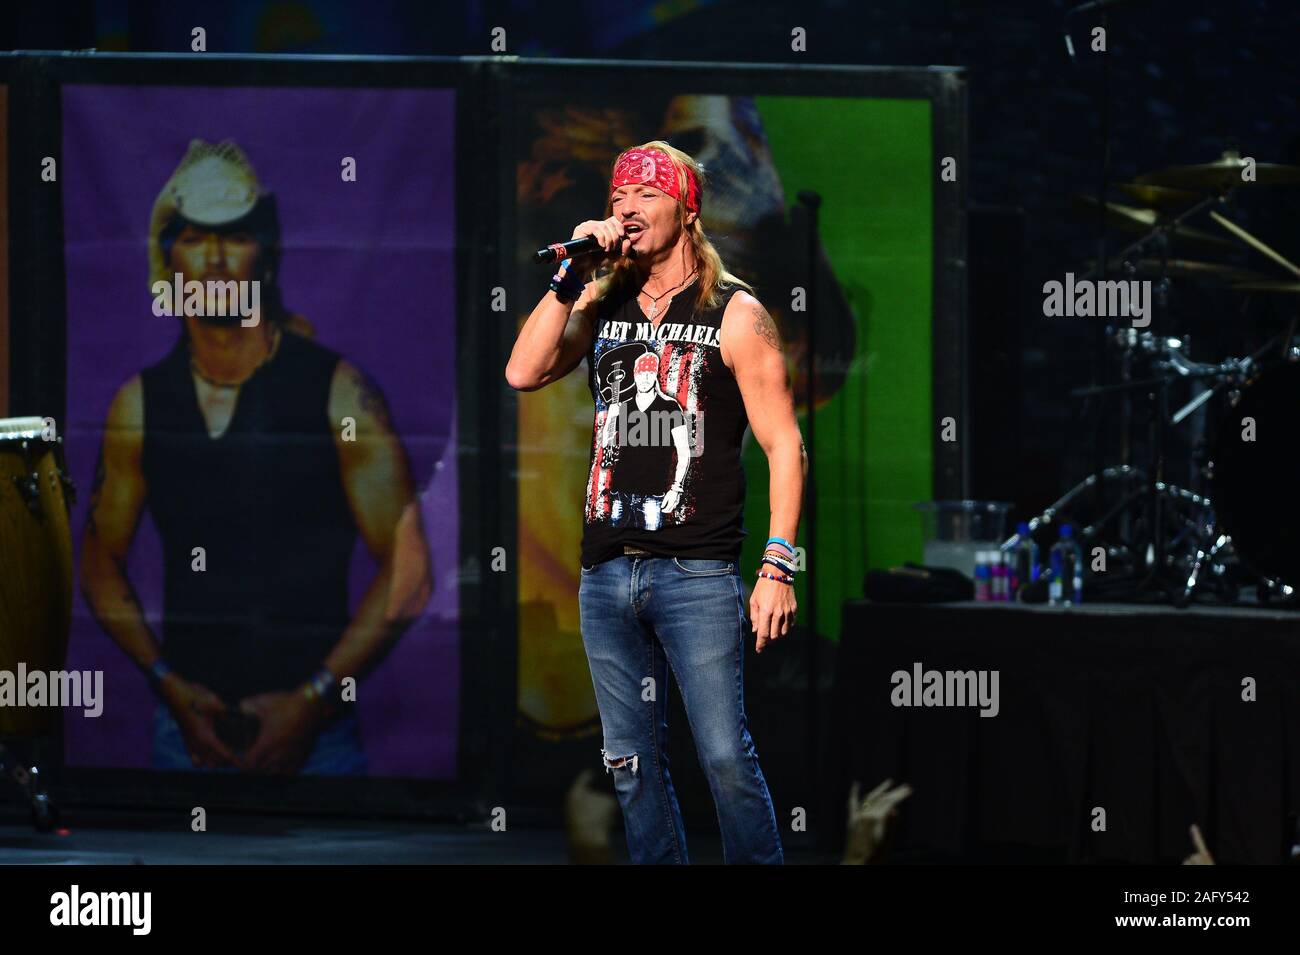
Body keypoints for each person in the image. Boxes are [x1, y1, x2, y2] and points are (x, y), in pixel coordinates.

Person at [79, 139, 432, 776]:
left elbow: (410, 571)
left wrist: (313, 700)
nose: (215, 260)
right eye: (194, 239)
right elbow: (99, 561)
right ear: (168, 258)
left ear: (265, 252)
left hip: (319, 742)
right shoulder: (140, 403)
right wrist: (167, 684)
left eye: (234, 237)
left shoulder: (337, 392)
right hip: (186, 736)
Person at [507, 141, 806, 864]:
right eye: (618, 197)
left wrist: (777, 564)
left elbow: (785, 445)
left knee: (724, 756)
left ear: (686, 208)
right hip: (607, 569)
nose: (627, 207)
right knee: (629, 762)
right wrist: (571, 275)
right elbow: (523, 371)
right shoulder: (599, 302)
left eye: (646, 194)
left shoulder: (734, 313)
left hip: (695, 571)